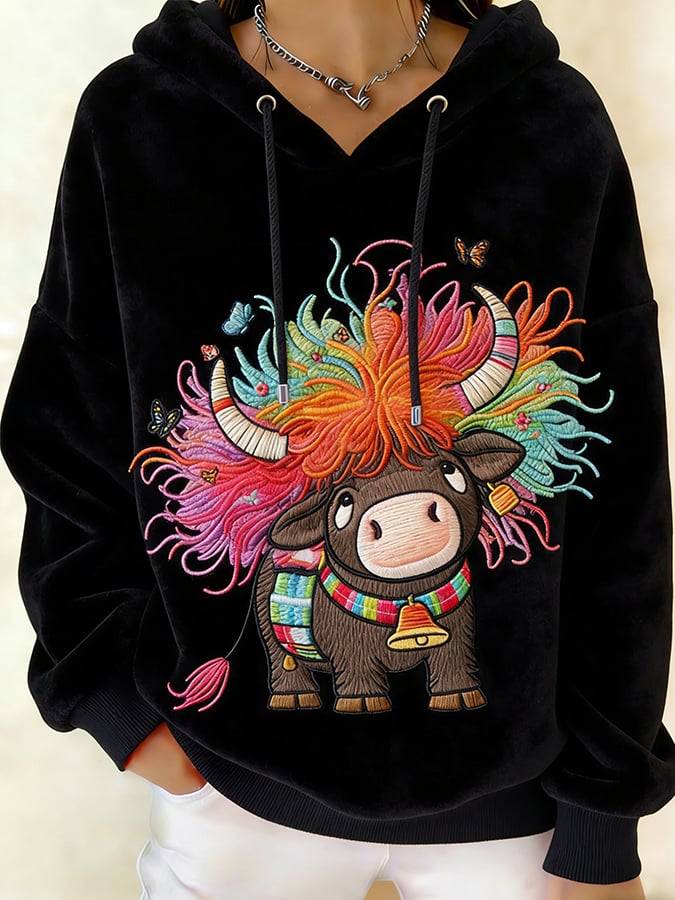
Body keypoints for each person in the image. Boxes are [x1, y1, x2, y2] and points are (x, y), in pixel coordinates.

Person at [2, 0, 674, 897]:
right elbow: (63, 434)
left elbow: (621, 494)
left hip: (521, 810)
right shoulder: (135, 116)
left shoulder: (551, 118)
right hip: (230, 794)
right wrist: (113, 701)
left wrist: (603, 813)